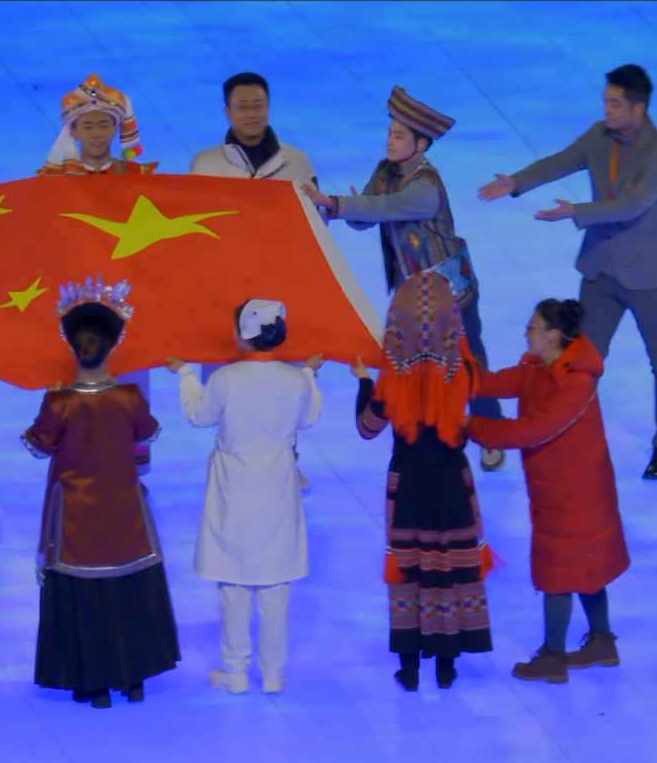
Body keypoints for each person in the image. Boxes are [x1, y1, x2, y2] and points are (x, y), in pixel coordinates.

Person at [477, 65, 657, 482]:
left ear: (639, 108)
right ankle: (564, 430)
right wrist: (518, 182)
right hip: (601, 268)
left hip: (647, 274)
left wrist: (576, 211)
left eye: (615, 104)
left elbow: (632, 206)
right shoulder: (598, 136)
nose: (607, 110)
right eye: (606, 101)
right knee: (578, 359)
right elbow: (561, 162)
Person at [304, 88, 507, 469]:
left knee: (469, 364)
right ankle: (422, 431)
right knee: (415, 366)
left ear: (421, 144)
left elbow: (388, 206)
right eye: (390, 133)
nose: (389, 141)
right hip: (413, 296)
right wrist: (341, 211)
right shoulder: (385, 171)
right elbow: (369, 214)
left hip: (451, 291)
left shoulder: (426, 186)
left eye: (399, 136)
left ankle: (490, 431)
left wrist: (338, 203)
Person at [24, 277, 180, 708]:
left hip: (75, 517)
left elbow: (38, 445)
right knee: (128, 583)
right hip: (123, 509)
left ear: (73, 350)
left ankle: (93, 683)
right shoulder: (129, 398)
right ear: (112, 349)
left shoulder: (60, 403)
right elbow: (146, 436)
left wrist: (46, 405)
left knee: (83, 588)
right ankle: (133, 678)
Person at [466, 301, 629, 685]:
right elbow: (496, 383)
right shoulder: (540, 367)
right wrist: (457, 372)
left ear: (553, 335)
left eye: (533, 327)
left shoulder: (576, 383)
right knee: (585, 566)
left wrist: (469, 426)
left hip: (575, 493)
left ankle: (553, 656)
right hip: (562, 487)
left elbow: (530, 430)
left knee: (560, 572)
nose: (527, 333)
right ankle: (602, 642)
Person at [166, 300, 322, 696]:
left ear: (242, 334)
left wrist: (186, 374)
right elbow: (308, 418)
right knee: (275, 585)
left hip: (233, 488)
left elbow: (200, 416)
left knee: (233, 582)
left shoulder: (226, 378)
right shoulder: (293, 380)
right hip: (277, 488)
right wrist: (309, 374)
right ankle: (274, 675)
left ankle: (235, 671)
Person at [353, 271, 496, 691]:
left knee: (409, 570)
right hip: (452, 481)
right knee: (448, 566)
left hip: (408, 485)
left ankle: (410, 668)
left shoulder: (393, 376)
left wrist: (364, 382)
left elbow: (367, 428)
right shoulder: (464, 368)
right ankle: (447, 666)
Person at [40, 76, 160, 474]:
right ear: (72, 131)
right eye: (87, 125)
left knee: (130, 384)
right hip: (72, 303)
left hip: (127, 303)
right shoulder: (52, 184)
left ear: (117, 127)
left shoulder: (138, 178)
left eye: (104, 123)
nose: (96, 133)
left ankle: (131, 477)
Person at [188, 72, 319, 187]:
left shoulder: (297, 160)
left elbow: (313, 206)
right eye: (242, 107)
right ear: (227, 112)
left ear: (268, 108)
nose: (251, 114)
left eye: (258, 106)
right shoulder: (204, 164)